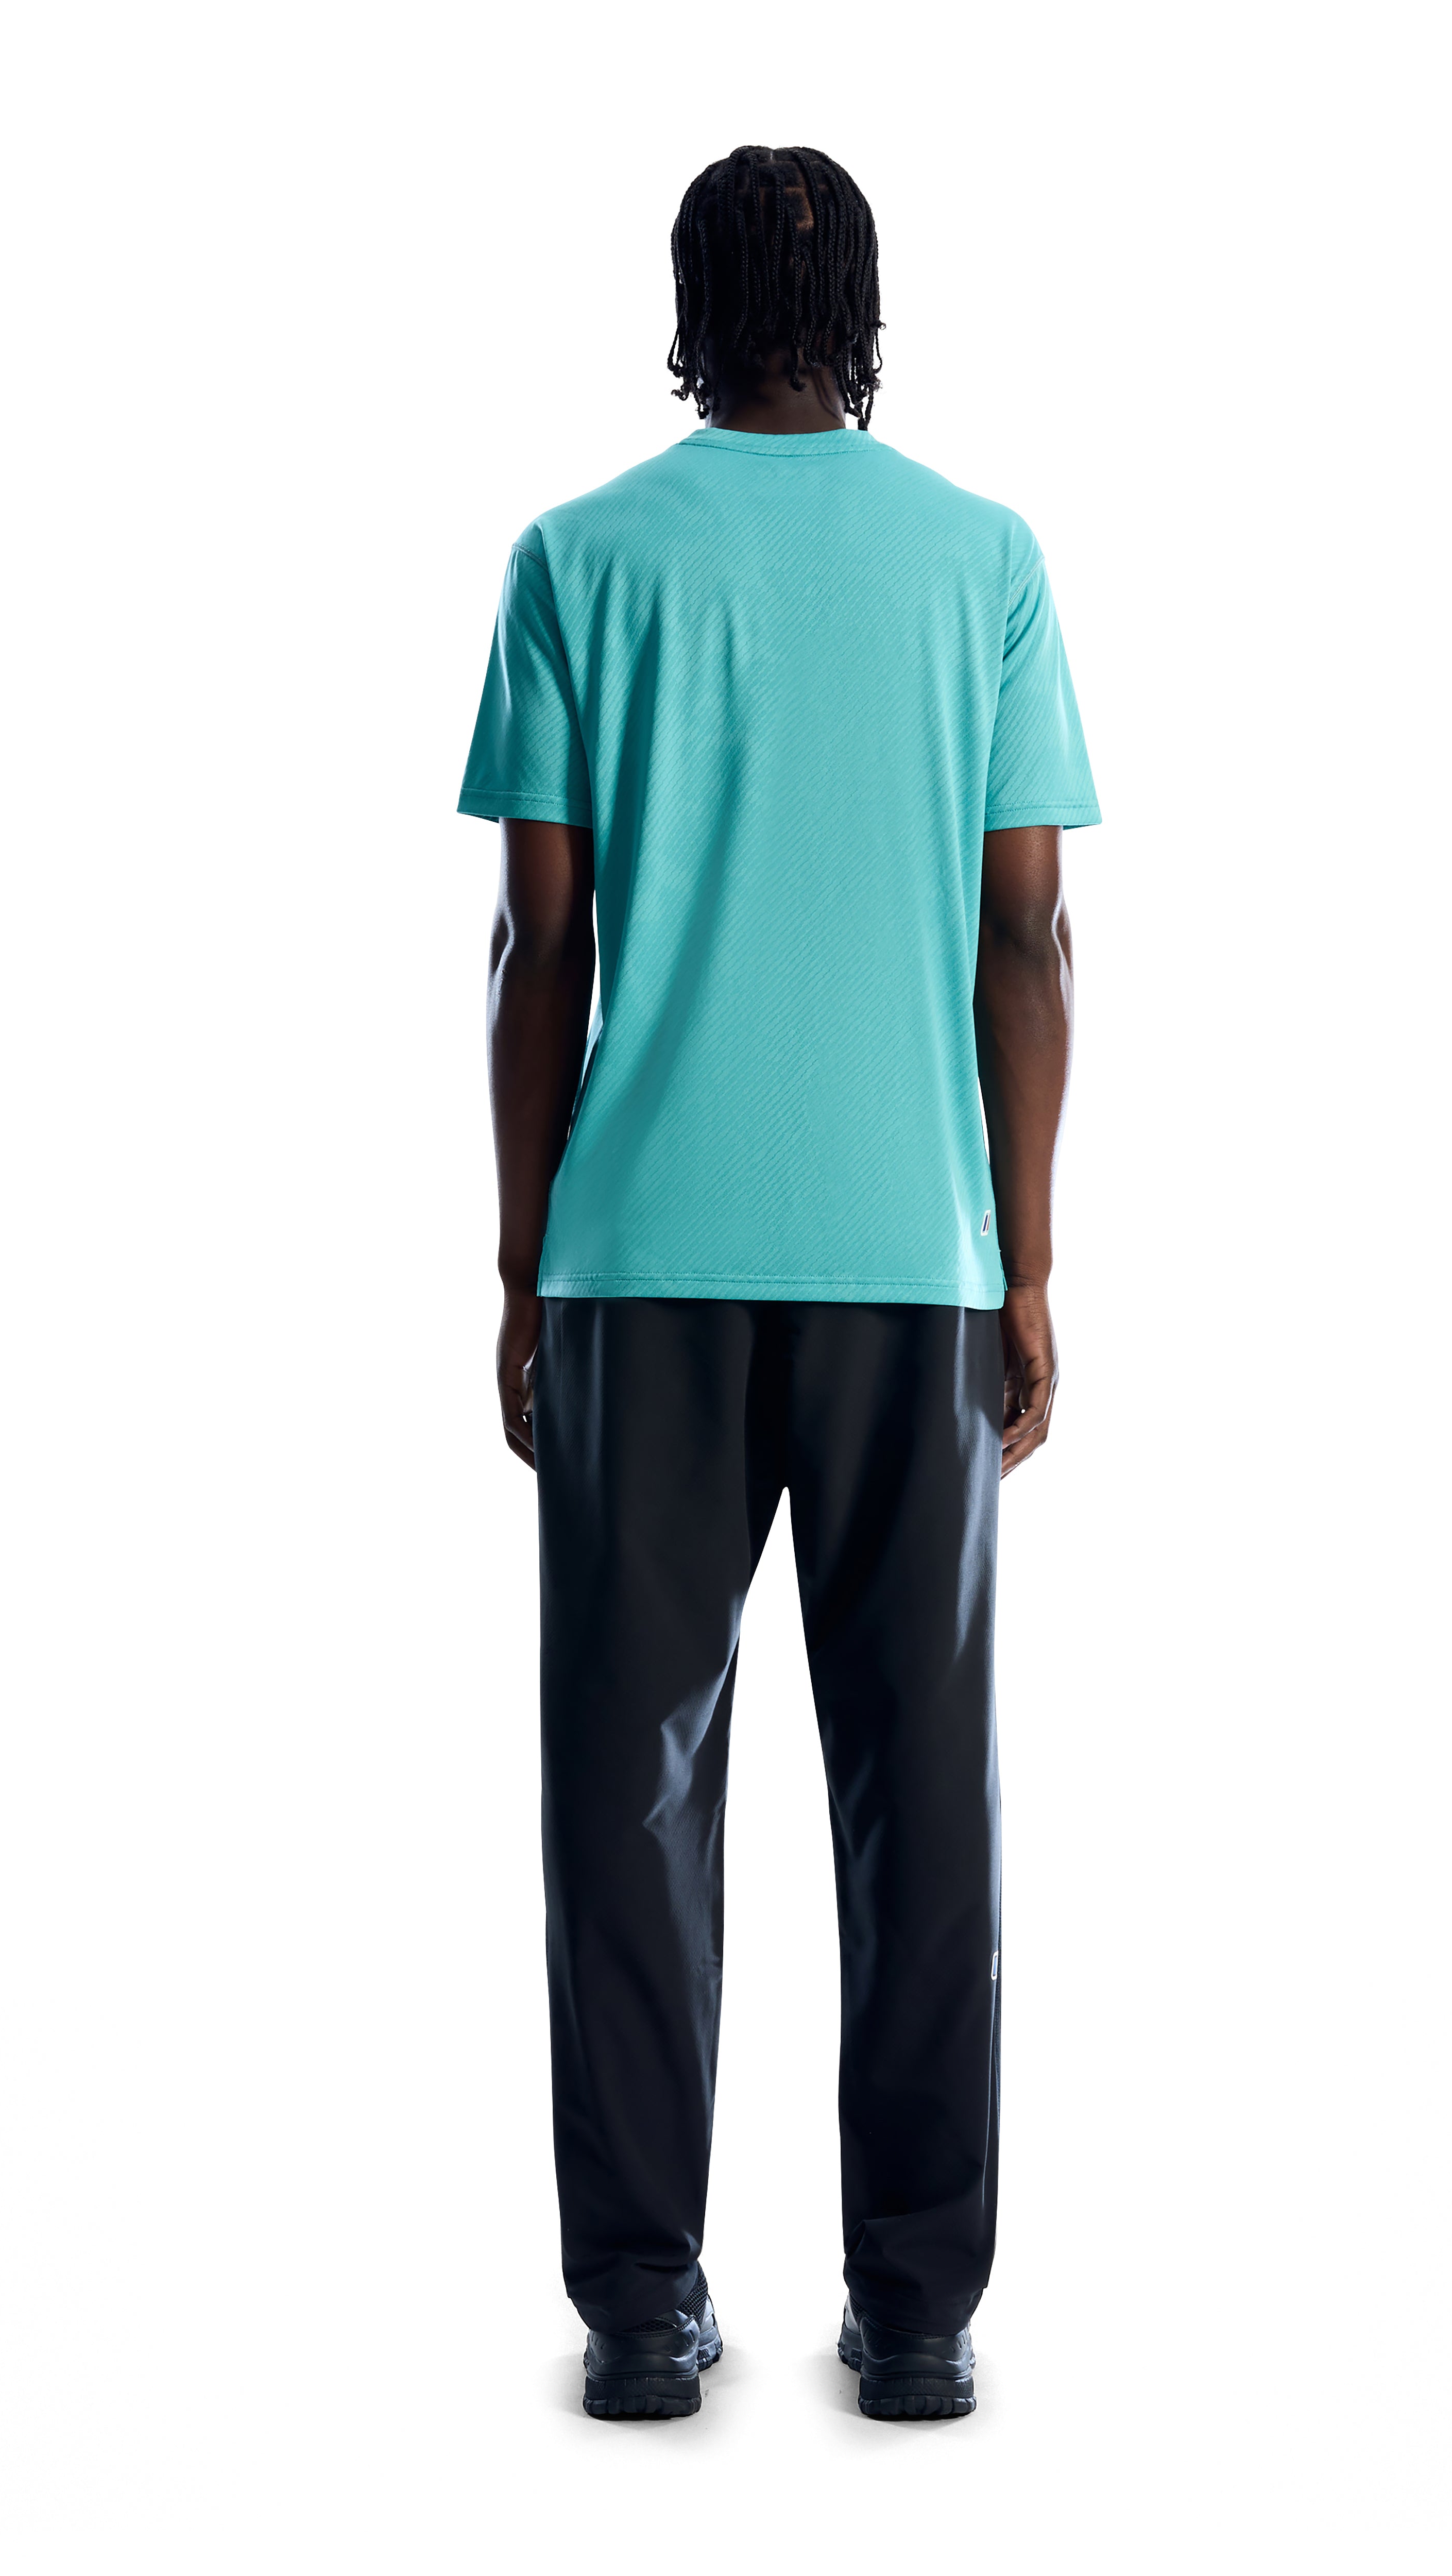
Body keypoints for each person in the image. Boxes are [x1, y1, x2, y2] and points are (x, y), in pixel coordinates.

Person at [460, 143, 1097, 2422]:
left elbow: (541, 945)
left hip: (641, 1261)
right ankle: (914, 2318)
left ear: (688, 304)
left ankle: (641, 2309)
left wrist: (522, 1262)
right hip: (913, 1260)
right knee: (922, 1796)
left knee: (621, 1798)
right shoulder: (983, 563)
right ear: (868, 309)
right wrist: (1030, 1263)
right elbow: (1025, 933)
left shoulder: (578, 558)